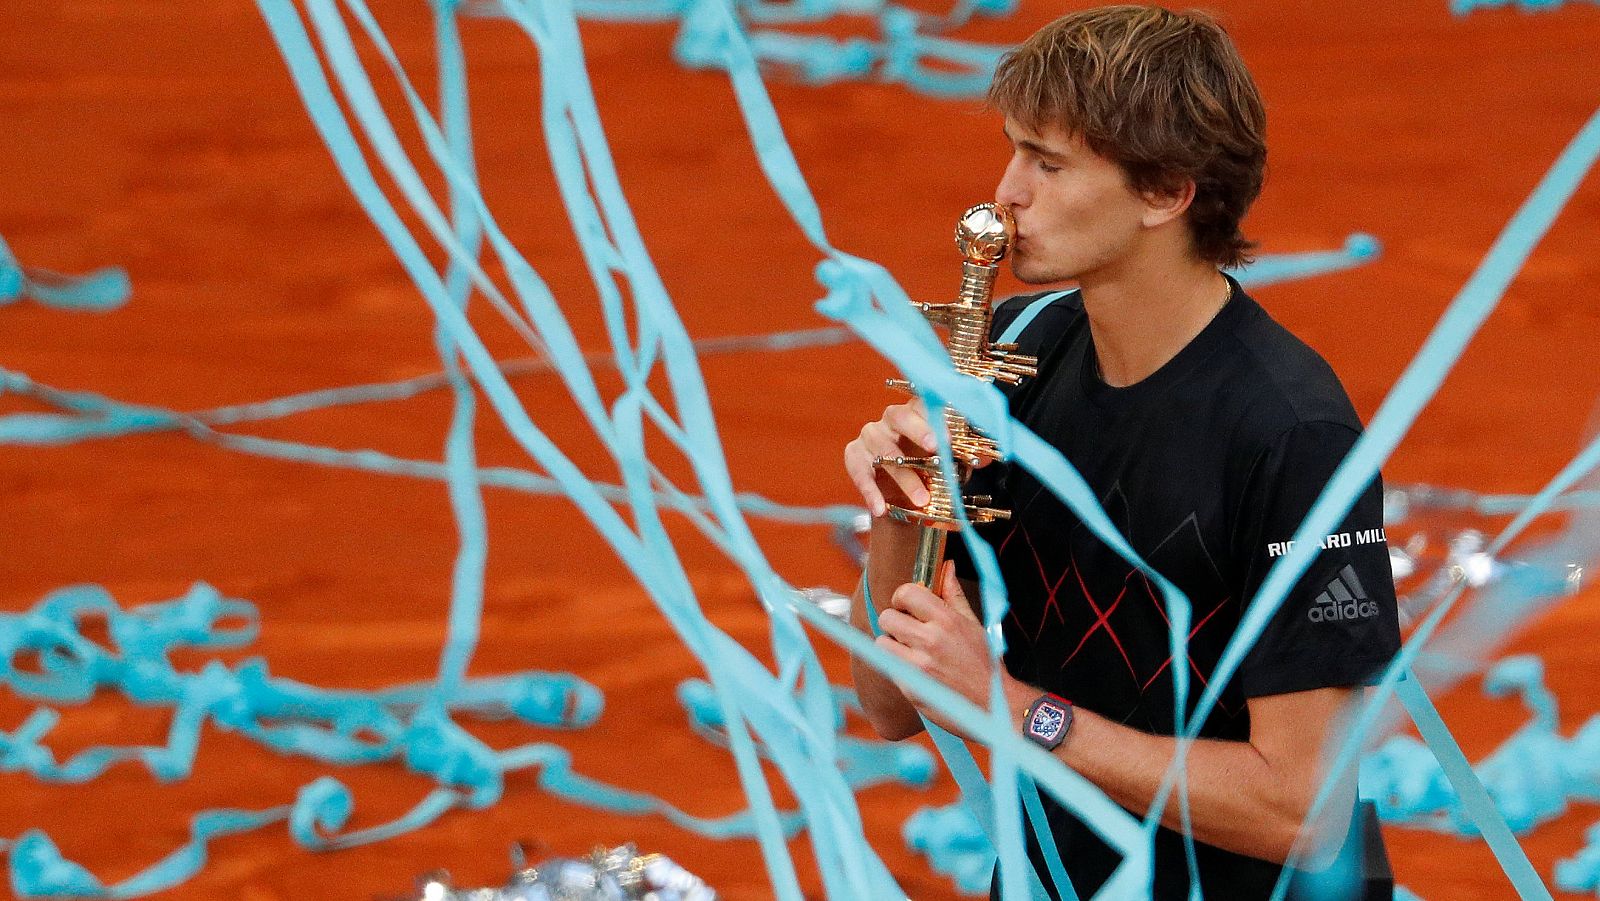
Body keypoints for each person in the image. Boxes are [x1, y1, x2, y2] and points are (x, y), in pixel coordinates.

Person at [842, 6, 1402, 899]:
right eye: (1015, 150)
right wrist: (902, 511)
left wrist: (1016, 710)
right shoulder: (1016, 351)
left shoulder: (1292, 436)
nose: (1004, 196)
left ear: (1166, 192)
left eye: (1049, 164)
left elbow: (1303, 811)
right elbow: (889, 704)